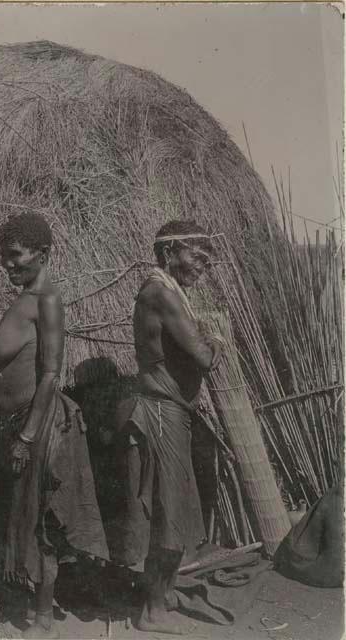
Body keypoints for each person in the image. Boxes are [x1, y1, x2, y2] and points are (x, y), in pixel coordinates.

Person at [0, 212, 109, 638]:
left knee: (40, 521)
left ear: (43, 254)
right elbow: (2, 350)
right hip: (12, 424)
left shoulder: (48, 300)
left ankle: (43, 619)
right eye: (3, 256)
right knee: (17, 515)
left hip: (36, 427)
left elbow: (51, 374)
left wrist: (27, 436)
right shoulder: (24, 299)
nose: (7, 264)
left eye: (15, 256)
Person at [116, 219, 222, 634]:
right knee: (169, 515)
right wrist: (217, 340)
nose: (204, 266)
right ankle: (152, 610)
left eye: (208, 260)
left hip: (171, 412)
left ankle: (162, 592)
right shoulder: (160, 293)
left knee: (173, 511)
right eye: (197, 257)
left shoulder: (167, 291)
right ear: (169, 252)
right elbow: (202, 356)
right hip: (161, 413)